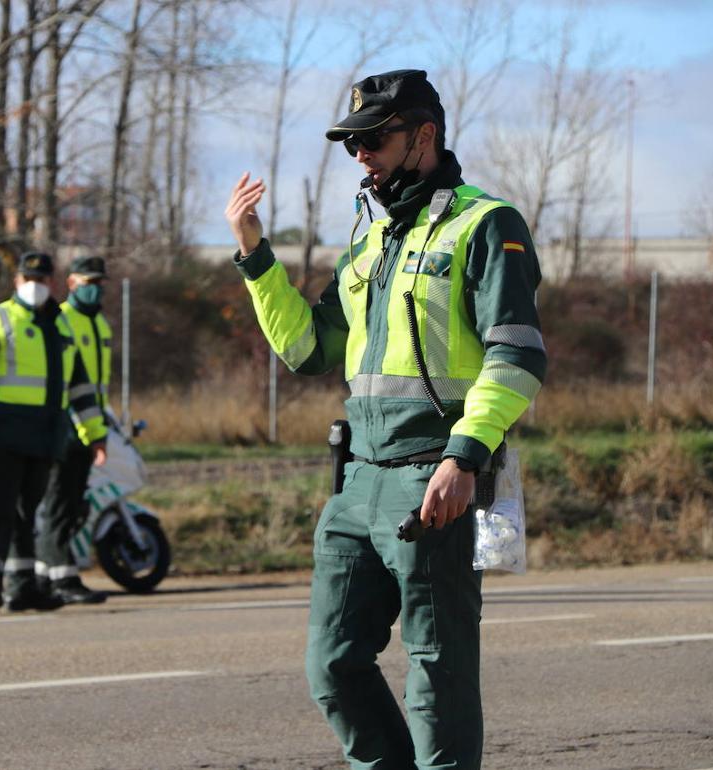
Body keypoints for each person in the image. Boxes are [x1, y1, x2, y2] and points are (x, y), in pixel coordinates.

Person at [224, 69, 546, 769]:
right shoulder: (368, 242)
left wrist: (465, 455)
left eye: (374, 139)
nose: (361, 154)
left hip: (434, 478)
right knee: (332, 667)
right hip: (358, 481)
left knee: (439, 674)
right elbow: (308, 350)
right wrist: (254, 254)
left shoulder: (485, 224)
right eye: (351, 144)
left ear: (424, 136)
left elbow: (517, 357)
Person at [0, 251, 108, 614]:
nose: (36, 286)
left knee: (27, 516)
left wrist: (95, 434)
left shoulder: (59, 327)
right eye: (29, 279)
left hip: (45, 437)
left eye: (41, 280)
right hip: (3, 435)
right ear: (17, 282)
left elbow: (81, 389)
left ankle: (22, 590)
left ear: (51, 283)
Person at [35, 256, 114, 605]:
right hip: (65, 430)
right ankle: (62, 579)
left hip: (90, 428)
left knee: (71, 508)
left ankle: (44, 576)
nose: (95, 290)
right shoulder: (62, 321)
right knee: (58, 506)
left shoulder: (102, 326)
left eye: (99, 283)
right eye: (88, 283)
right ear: (71, 284)